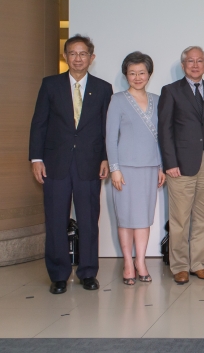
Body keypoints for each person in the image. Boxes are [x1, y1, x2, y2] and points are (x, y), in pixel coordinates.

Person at [29, 34, 113, 294]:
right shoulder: (50, 85)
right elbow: (39, 123)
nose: (78, 58)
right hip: (55, 163)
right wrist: (36, 158)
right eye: (72, 53)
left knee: (89, 219)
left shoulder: (103, 88)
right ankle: (58, 275)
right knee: (55, 220)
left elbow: (106, 128)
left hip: (89, 163)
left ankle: (88, 272)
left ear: (92, 57)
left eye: (83, 54)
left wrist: (106, 158)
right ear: (66, 56)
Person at [158, 46, 204, 285]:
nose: (195, 65)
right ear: (183, 64)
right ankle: (179, 266)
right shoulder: (171, 91)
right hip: (181, 166)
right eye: (190, 61)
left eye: (199, 61)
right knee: (180, 219)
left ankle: (197, 264)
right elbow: (164, 131)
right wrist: (170, 163)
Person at [106, 51, 165, 285]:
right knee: (126, 218)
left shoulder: (158, 100)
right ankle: (128, 262)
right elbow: (110, 138)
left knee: (143, 218)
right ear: (125, 75)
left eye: (142, 72)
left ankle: (140, 261)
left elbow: (161, 138)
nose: (137, 77)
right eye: (132, 73)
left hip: (150, 167)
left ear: (149, 74)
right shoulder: (118, 100)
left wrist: (161, 165)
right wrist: (114, 168)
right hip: (126, 169)